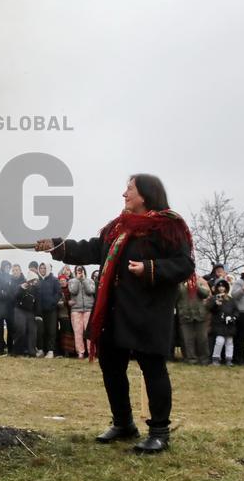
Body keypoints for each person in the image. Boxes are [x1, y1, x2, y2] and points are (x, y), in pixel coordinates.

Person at [36, 174, 195, 454]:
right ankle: (123, 424)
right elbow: (94, 249)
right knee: (111, 366)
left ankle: (159, 432)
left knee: (152, 368)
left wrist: (150, 268)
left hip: (148, 313)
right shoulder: (118, 228)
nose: (124, 194)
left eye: (129, 189)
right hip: (114, 312)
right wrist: (58, 246)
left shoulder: (168, 227)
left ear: (145, 194)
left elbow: (184, 265)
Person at [176, 275, 211, 365]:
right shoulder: (179, 284)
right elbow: (175, 297)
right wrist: (181, 285)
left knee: (202, 338)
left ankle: (204, 359)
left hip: (200, 315)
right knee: (188, 339)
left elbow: (206, 294)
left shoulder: (198, 280)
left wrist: (196, 286)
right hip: (185, 315)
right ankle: (191, 359)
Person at [68, 265, 97, 359]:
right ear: (75, 271)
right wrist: (77, 279)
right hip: (76, 310)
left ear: (84, 271)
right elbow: (73, 291)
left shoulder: (90, 281)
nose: (80, 271)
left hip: (89, 309)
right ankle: (80, 352)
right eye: (78, 270)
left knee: (89, 332)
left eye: (81, 270)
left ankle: (91, 352)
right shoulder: (71, 281)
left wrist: (84, 280)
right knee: (78, 332)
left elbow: (91, 291)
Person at [208, 280, 238, 366]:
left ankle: (229, 359)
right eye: (220, 287)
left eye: (223, 287)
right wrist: (216, 304)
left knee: (229, 342)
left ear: (226, 288)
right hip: (219, 323)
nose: (221, 288)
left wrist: (233, 317)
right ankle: (215, 359)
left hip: (229, 324)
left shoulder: (230, 299)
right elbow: (211, 309)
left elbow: (236, 310)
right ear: (217, 288)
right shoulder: (214, 298)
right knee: (219, 341)